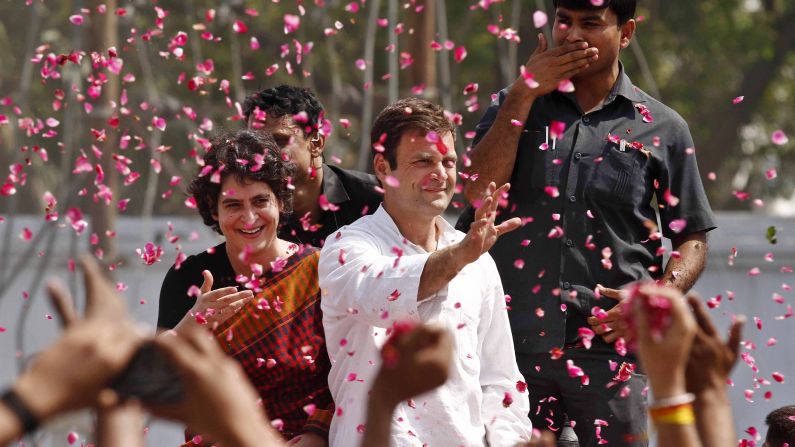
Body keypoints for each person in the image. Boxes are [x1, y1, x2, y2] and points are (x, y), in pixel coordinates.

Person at [459, 0, 716, 444]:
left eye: (591, 24)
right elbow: (477, 191)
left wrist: (657, 299)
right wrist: (523, 93)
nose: (573, 35)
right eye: (565, 21)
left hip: (611, 351)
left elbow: (692, 238)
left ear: (627, 33)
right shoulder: (513, 104)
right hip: (510, 346)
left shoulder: (664, 128)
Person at [319, 97, 533, 446]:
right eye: (423, 161)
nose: (440, 173)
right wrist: (459, 256)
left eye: (448, 161)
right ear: (383, 167)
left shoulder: (476, 257)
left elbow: (500, 380)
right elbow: (379, 296)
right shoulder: (346, 247)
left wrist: (506, 441)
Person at [156, 130, 333, 446]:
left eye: (261, 201)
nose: (249, 218)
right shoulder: (189, 276)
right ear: (214, 210)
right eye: (233, 205)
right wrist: (191, 325)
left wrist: (317, 435)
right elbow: (153, 378)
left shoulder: (320, 272)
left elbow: (350, 373)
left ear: (280, 200)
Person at [243, 85, 382, 248]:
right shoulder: (252, 213)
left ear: (316, 143)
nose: (264, 154)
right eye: (255, 145)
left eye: (279, 141)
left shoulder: (375, 198)